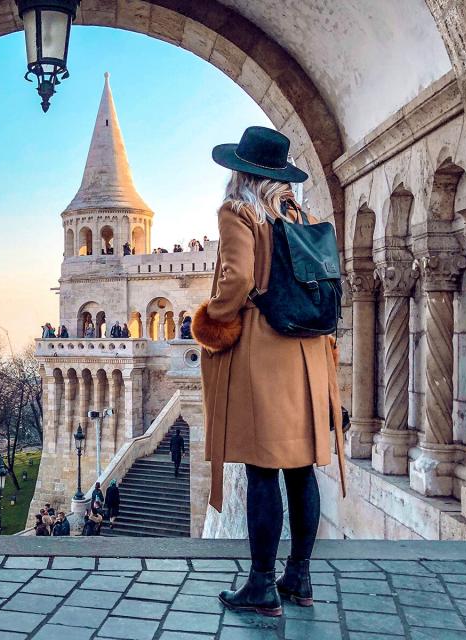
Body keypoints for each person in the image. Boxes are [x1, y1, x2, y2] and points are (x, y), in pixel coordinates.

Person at [194, 126, 345, 617]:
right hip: (309, 352)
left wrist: (214, 318)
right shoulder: (304, 215)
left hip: (265, 349)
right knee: (301, 471)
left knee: (263, 469)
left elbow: (236, 279)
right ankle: (298, 577)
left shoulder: (239, 212)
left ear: (241, 172)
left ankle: (261, 584)